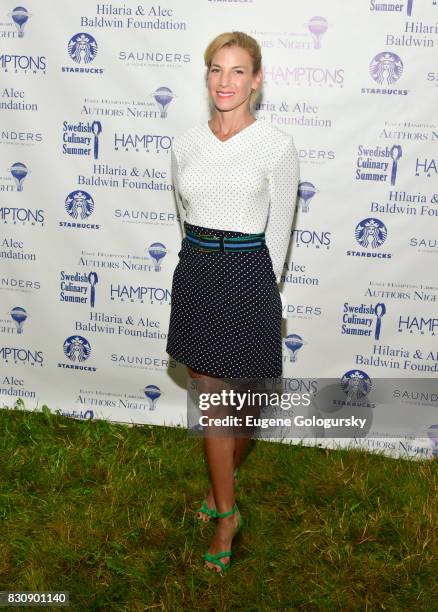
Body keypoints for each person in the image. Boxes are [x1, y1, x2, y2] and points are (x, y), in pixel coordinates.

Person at [166, 31, 300, 573]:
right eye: (216, 70)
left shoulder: (276, 145)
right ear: (207, 77)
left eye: (238, 70)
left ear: (257, 79)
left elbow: (282, 233)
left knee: (238, 409)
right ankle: (227, 513)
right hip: (197, 270)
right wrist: (196, 266)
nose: (226, 81)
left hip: (247, 274)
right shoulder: (184, 144)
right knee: (213, 402)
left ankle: (222, 483)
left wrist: (263, 291)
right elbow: (182, 215)